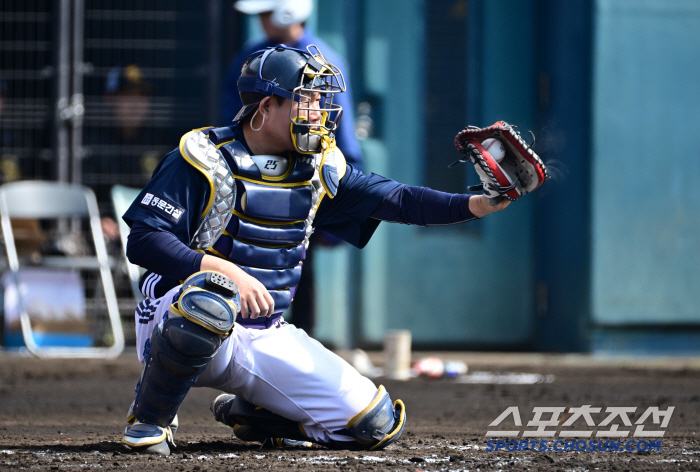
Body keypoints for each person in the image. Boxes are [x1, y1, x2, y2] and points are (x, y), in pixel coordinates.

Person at [120, 45, 510, 456]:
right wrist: (220, 268)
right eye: (306, 101)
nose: (318, 114)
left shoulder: (319, 166)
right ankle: (148, 421)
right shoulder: (202, 157)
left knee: (375, 425)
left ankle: (260, 413)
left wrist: (478, 204)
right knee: (210, 301)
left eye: (320, 102)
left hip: (265, 331)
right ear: (267, 105)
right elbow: (143, 240)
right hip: (177, 318)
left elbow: (400, 200)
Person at [223, 0, 364, 335]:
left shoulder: (323, 62)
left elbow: (342, 138)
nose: (261, 20)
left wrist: (341, 201)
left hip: (304, 180)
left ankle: (301, 341)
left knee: (300, 263)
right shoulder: (251, 58)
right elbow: (231, 121)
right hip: (253, 177)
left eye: (265, 12)